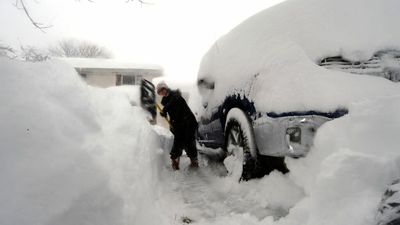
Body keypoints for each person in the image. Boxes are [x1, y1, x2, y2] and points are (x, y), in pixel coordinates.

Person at [156, 81, 199, 170]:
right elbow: (172, 112)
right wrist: (165, 114)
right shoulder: (166, 100)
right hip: (178, 123)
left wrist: (165, 109)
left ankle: (193, 161)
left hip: (188, 122)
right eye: (160, 91)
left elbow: (174, 103)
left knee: (189, 141)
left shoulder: (175, 96)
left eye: (162, 89)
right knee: (178, 141)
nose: (162, 92)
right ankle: (175, 161)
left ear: (166, 88)